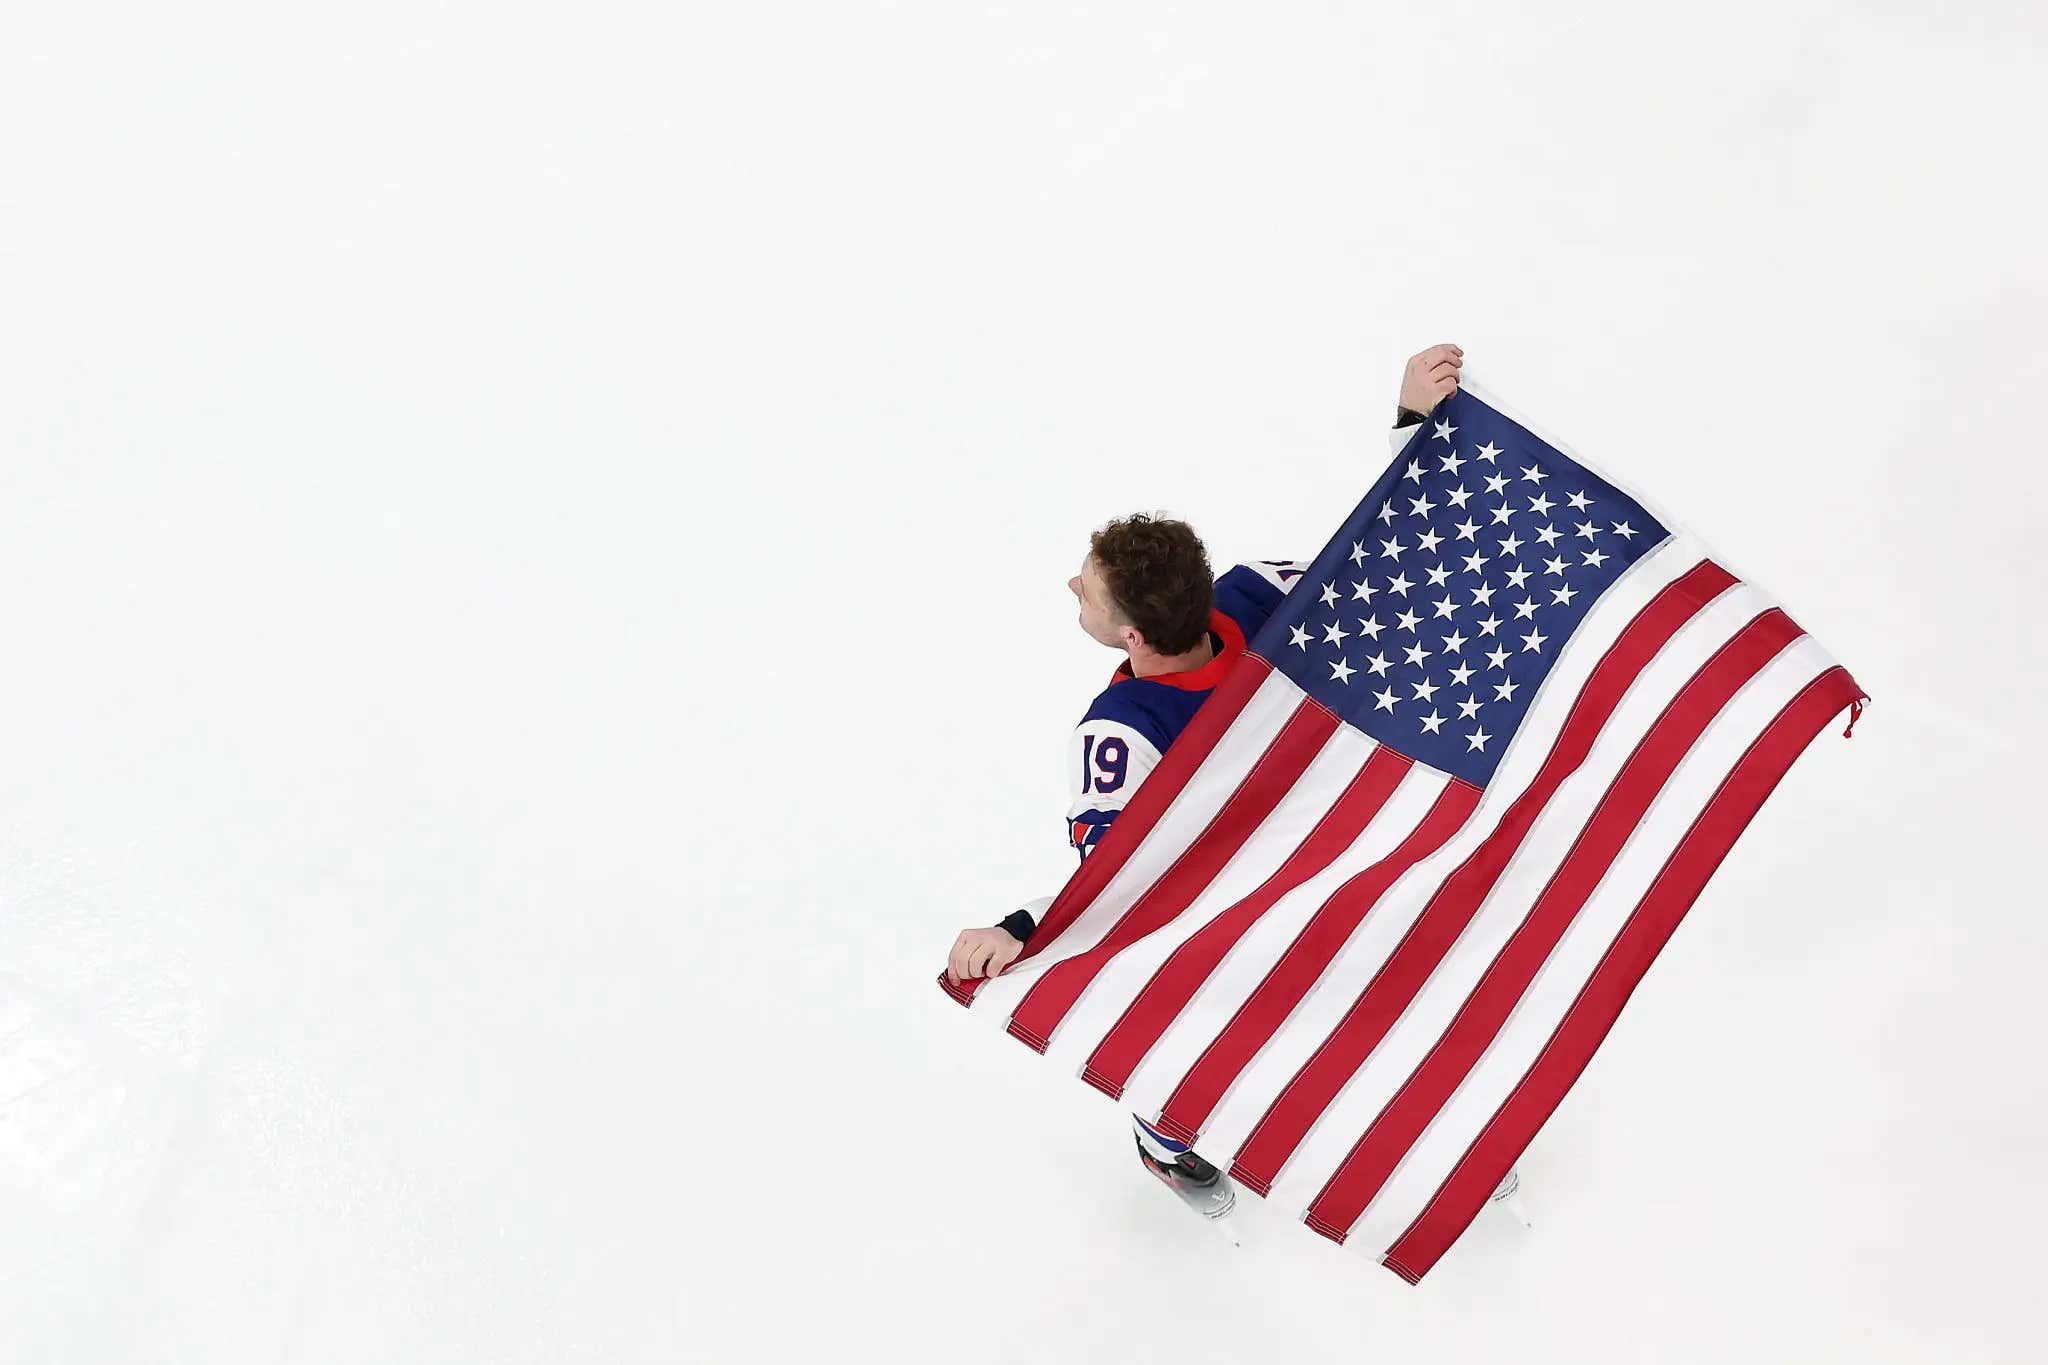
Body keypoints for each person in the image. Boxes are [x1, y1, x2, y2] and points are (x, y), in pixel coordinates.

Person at [946, 344, 1520, 1226]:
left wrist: (1018, 931)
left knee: (1204, 1017)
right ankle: (1179, 1141)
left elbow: (1119, 896)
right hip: (1307, 869)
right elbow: (1386, 578)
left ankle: (1423, 1139)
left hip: (1318, 873)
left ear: (1134, 637)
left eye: (1087, 594)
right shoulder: (1257, 593)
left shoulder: (1122, 736)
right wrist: (1412, 422)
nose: (1072, 587)